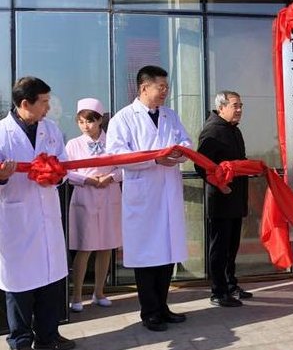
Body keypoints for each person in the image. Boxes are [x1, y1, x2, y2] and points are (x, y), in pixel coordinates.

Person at [106, 65, 192, 331]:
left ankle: (163, 307)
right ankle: (150, 312)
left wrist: (179, 153)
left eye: (167, 87)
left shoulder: (170, 115)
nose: (165, 92)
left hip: (168, 193)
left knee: (167, 252)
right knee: (146, 256)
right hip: (143, 197)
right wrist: (155, 159)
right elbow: (117, 156)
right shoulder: (123, 118)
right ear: (144, 88)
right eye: (161, 87)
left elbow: (186, 142)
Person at [0, 77, 75, 350]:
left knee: (51, 282)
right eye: (43, 102)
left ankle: (47, 337)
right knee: (19, 287)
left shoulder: (51, 129)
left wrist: (55, 175)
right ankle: (20, 341)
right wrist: (2, 177)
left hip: (47, 218)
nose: (48, 108)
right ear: (25, 103)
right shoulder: (1, 133)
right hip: (16, 221)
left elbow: (65, 165)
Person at [195, 91, 253, 307]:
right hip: (221, 199)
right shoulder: (212, 131)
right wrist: (221, 184)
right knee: (219, 248)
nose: (239, 110)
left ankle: (230, 285)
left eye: (241, 106)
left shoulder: (234, 130)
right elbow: (201, 165)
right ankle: (218, 292)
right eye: (235, 106)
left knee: (232, 246)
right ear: (221, 108)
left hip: (236, 198)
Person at [65, 98, 122, 312]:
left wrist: (111, 177)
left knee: (106, 246)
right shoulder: (73, 144)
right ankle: (77, 296)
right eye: (81, 122)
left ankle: (99, 292)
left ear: (99, 120)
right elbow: (66, 171)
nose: (85, 126)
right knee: (85, 247)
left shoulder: (114, 141)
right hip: (85, 196)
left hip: (109, 194)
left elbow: (124, 166)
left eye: (89, 121)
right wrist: (87, 180)